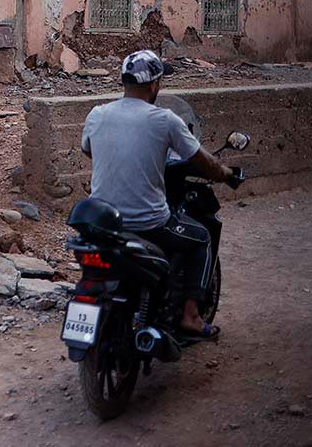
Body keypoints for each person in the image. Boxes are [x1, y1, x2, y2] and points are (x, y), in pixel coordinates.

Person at [80, 50, 234, 339]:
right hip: (148, 224)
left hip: (104, 222)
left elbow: (89, 150)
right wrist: (224, 173)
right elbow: (204, 162)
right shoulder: (165, 120)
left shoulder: (97, 114)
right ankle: (191, 316)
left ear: (124, 82)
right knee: (201, 237)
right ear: (154, 85)